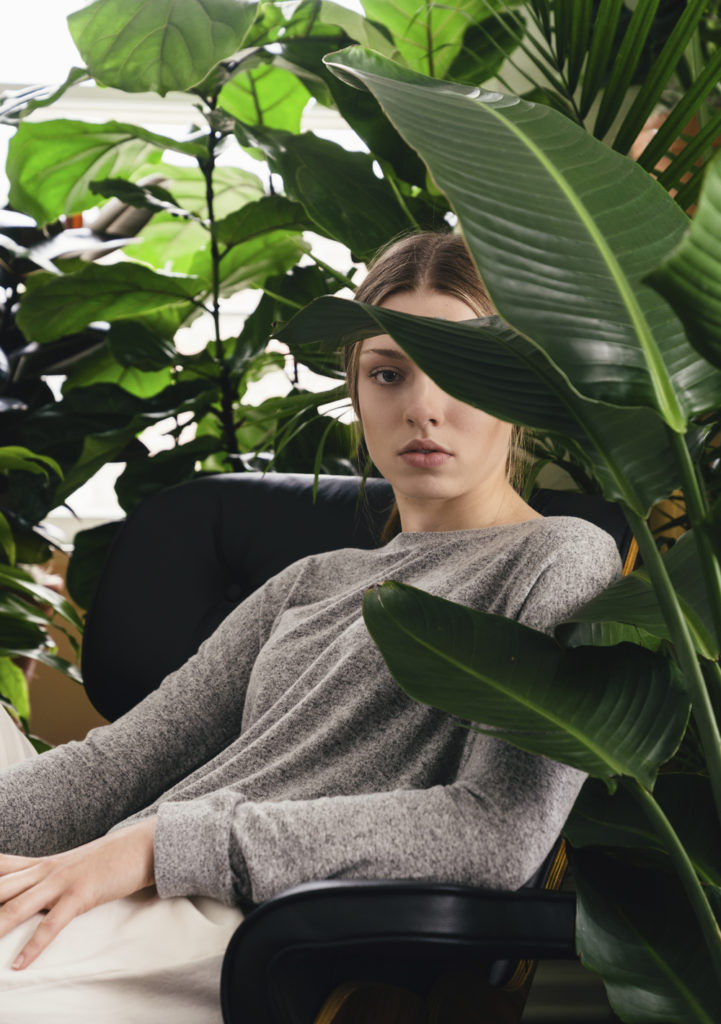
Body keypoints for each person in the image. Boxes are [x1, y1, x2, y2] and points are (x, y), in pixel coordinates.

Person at [0, 231, 621, 1021]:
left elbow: (495, 832)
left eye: (462, 370)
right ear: (356, 393)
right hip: (123, 866)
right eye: (388, 374)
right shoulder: (308, 582)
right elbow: (119, 764)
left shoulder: (559, 558)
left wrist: (158, 847)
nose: (422, 407)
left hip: (246, 917)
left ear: (516, 388)